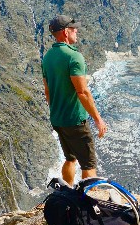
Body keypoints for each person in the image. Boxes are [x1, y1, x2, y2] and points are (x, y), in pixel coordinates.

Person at [42, 15, 107, 186]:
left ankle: (67, 193)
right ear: (65, 32)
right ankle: (87, 204)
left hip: (58, 119)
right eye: (73, 29)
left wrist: (57, 110)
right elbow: (83, 92)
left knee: (70, 158)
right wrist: (98, 119)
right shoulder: (74, 57)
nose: (76, 31)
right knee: (89, 163)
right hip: (75, 120)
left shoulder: (47, 57)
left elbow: (47, 91)